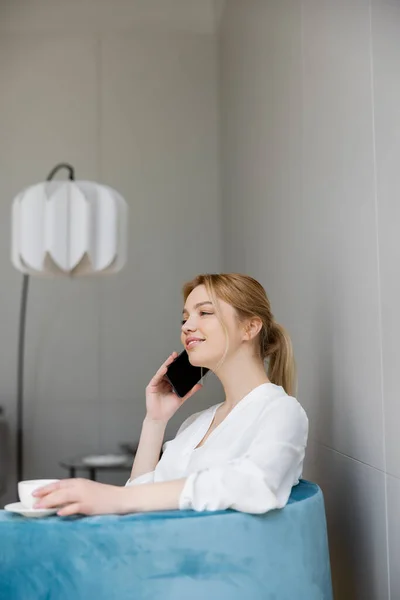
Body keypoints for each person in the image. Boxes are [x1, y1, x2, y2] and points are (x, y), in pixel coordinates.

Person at [34, 273, 308, 516]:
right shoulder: (195, 424)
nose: (187, 326)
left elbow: (256, 485)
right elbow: (138, 503)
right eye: (185, 317)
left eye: (205, 313)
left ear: (249, 327)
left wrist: (117, 497)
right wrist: (155, 422)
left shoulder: (280, 411)